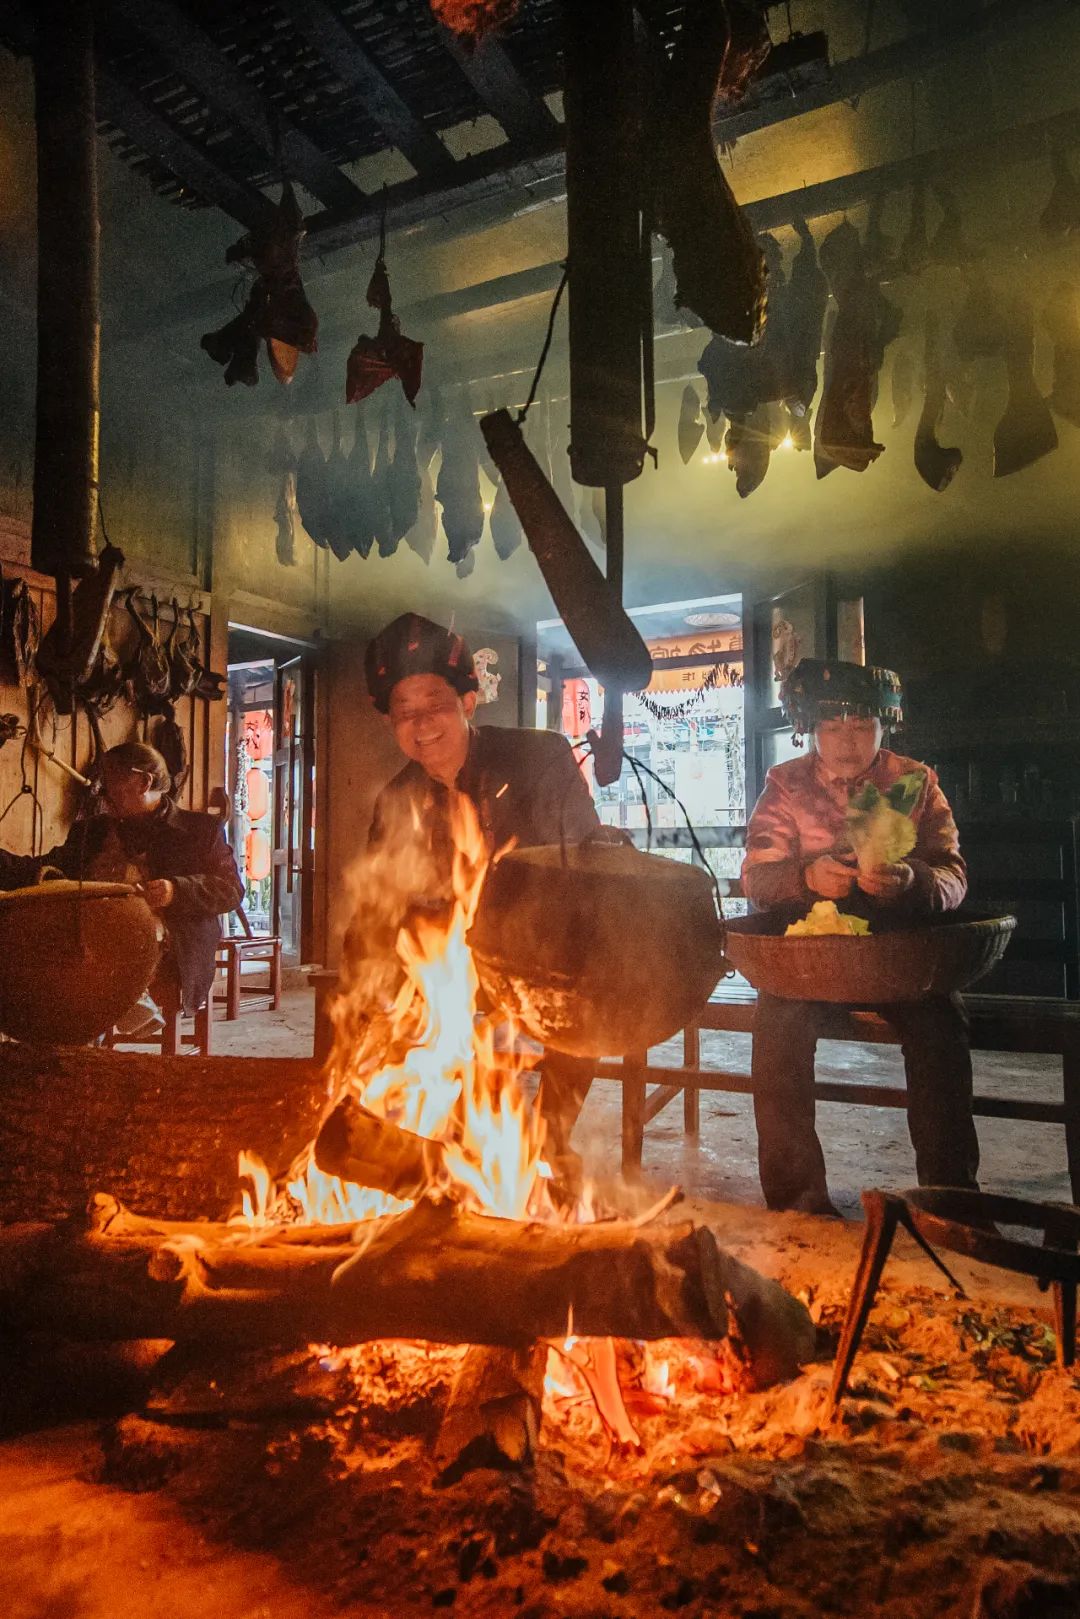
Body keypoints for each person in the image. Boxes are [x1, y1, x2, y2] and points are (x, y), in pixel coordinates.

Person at [345, 612, 603, 1174]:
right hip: (450, 967)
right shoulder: (398, 799)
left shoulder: (539, 758)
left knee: (578, 1009)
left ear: (468, 702)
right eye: (404, 712)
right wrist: (368, 989)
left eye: (435, 704)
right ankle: (448, 1153)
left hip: (546, 955)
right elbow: (376, 910)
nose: (421, 724)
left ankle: (546, 1146)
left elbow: (580, 858)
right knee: (402, 1022)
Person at [741, 658, 977, 1215]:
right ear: (809, 731)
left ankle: (950, 1202)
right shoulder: (786, 786)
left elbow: (953, 875)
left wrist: (912, 880)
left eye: (861, 726)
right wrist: (805, 879)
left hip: (901, 956)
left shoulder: (916, 784)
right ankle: (798, 1199)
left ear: (884, 726)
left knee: (942, 1028)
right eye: (831, 727)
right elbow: (755, 878)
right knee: (777, 1029)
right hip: (813, 955)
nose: (847, 741)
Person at [0, 741, 243, 1028]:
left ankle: (124, 1001)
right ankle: (79, 1027)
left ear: (143, 781)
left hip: (171, 937)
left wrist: (176, 890)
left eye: (110, 780)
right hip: (90, 929)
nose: (101, 791)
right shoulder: (92, 830)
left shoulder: (200, 830)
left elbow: (230, 889)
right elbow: (45, 868)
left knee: (122, 927)